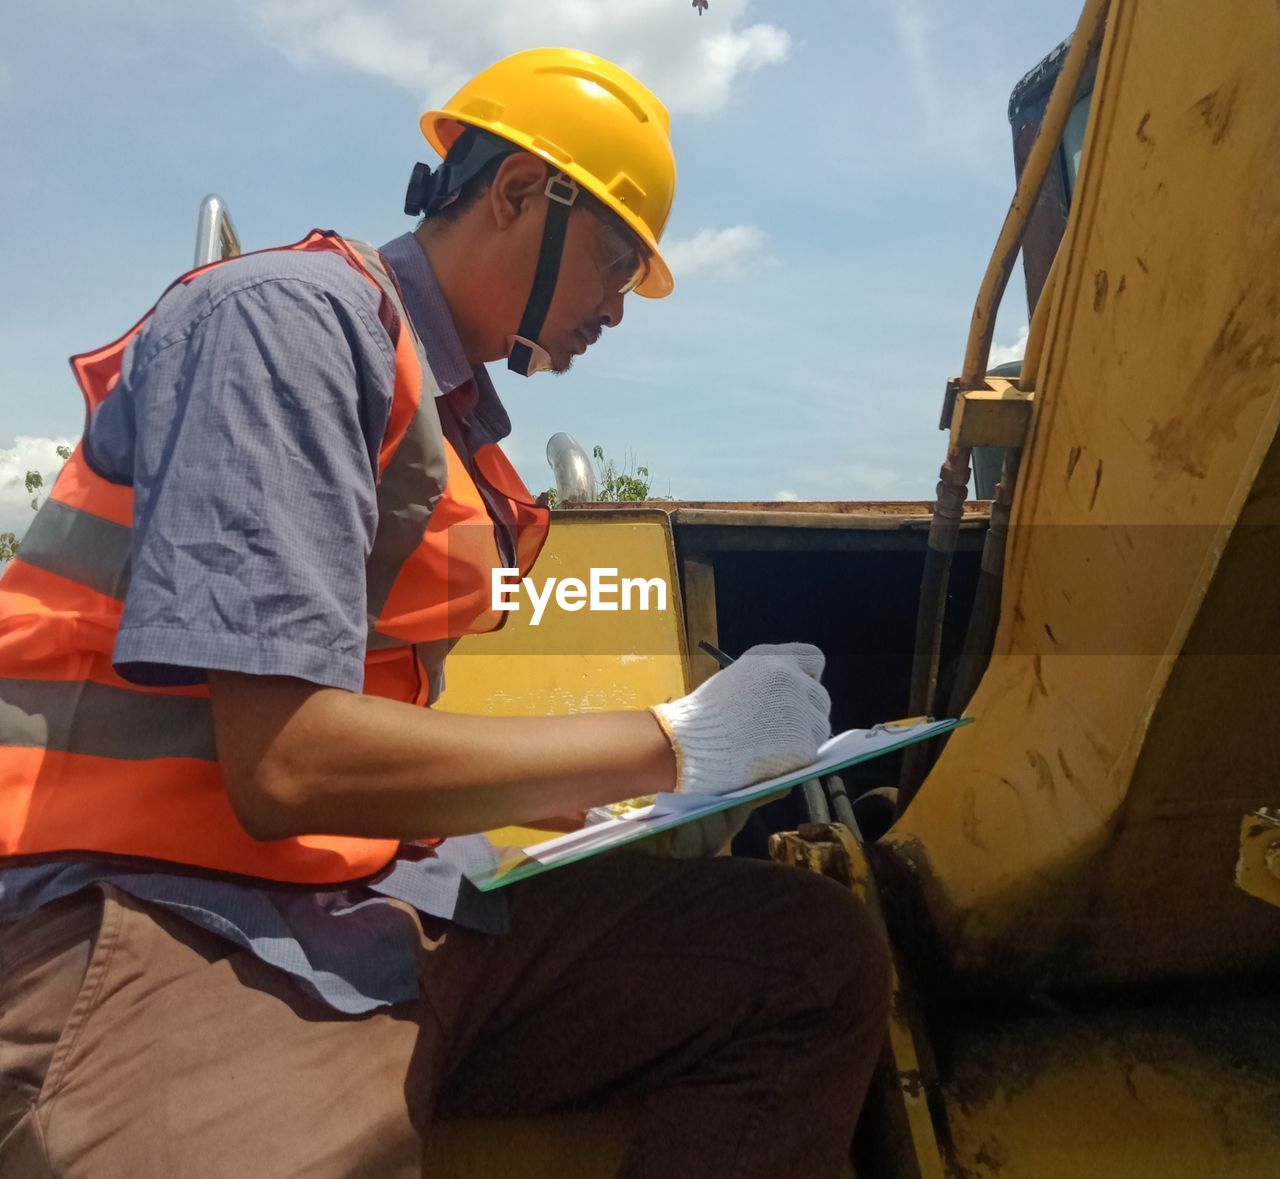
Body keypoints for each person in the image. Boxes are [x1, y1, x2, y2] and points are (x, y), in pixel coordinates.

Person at [0, 48, 890, 1177]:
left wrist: (579, 788)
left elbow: (357, 728)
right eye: (613, 265)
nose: (617, 308)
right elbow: (284, 764)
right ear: (519, 192)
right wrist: (675, 745)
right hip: (157, 911)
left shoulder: (440, 407)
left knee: (800, 959)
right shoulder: (287, 325)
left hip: (359, 895)